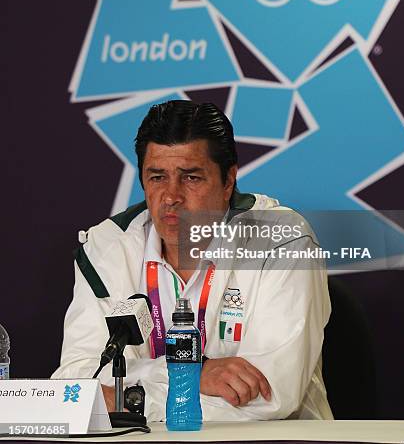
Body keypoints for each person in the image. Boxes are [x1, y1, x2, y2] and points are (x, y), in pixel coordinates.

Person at [52, 100, 332, 421]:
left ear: (228, 181)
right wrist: (193, 373)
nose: (171, 197)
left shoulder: (282, 241)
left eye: (191, 178)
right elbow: (74, 382)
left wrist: (128, 399)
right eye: (157, 177)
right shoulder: (106, 247)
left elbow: (269, 396)